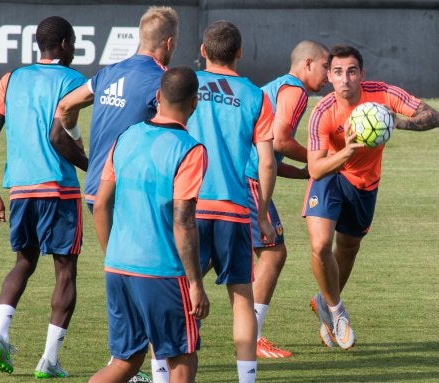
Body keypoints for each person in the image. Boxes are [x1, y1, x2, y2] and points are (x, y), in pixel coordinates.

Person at [57, 6, 178, 382]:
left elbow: (65, 107)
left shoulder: (109, 73)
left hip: (96, 194)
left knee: (125, 279)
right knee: (155, 279)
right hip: (130, 196)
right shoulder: (162, 81)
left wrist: (81, 144)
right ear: (169, 43)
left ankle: (126, 363)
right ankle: (156, 372)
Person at [304, 44, 439, 350]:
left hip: (364, 184)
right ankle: (338, 311)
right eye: (338, 72)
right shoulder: (323, 112)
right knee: (320, 245)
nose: (345, 79)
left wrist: (396, 121)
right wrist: (348, 151)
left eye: (352, 71)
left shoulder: (381, 94)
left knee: (348, 248)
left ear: (362, 74)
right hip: (330, 175)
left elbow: (435, 117)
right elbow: (315, 169)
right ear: (329, 76)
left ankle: (325, 301)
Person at [0, 16, 88, 378]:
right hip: (59, 187)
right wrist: (91, 167)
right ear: (63, 45)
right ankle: (49, 359)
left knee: (23, 263)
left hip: (21, 187)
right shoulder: (74, 80)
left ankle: (0, 333)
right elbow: (62, 137)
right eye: (72, 43)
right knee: (65, 272)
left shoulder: (10, 79)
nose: (74, 49)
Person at [89, 66, 209, 383]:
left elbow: (100, 204)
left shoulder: (126, 137)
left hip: (119, 267)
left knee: (125, 362)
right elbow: (183, 221)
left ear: (157, 97)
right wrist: (196, 284)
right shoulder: (190, 149)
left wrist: (113, 254)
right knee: (182, 360)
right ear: (195, 103)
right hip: (162, 272)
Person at [185, 21, 276, 383]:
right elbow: (267, 162)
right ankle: (246, 380)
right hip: (235, 210)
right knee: (241, 297)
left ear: (204, 51)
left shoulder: (184, 85)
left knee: (181, 288)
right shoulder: (256, 96)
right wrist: (264, 214)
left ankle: (163, 372)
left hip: (187, 208)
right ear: (240, 52)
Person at [244, 40, 329, 359]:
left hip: (235, 176)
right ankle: (252, 337)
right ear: (307, 64)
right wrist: (319, 157)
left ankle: (171, 317)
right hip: (249, 180)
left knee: (211, 256)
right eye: (325, 67)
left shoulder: (277, 87)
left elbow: (272, 154)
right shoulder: (295, 90)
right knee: (273, 254)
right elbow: (279, 140)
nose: (328, 76)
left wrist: (307, 172)